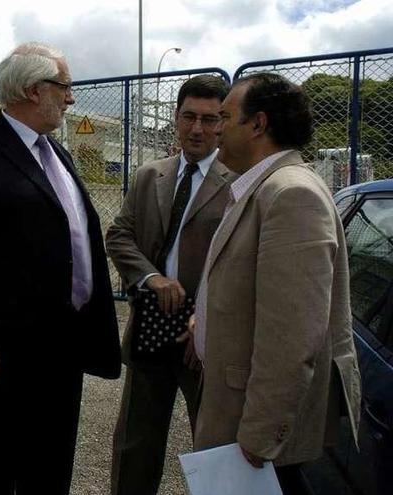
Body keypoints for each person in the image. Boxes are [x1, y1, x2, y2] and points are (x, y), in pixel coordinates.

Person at [0, 42, 121, 494]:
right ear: (35, 90)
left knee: (51, 468)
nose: (71, 98)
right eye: (65, 87)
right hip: (1, 354)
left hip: (61, 348)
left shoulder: (57, 152)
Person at [188, 73, 361, 494]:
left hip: (259, 436)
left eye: (225, 117)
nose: (215, 129)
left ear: (258, 124)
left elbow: (293, 334)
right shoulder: (259, 187)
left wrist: (261, 434)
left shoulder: (290, 195)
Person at [105, 75, 233, 495]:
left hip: (207, 334)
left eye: (210, 119)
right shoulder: (150, 176)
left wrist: (210, 316)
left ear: (223, 123)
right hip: (152, 324)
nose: (197, 128)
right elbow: (119, 235)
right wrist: (150, 276)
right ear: (176, 120)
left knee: (215, 445)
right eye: (189, 117)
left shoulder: (241, 184)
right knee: (136, 440)